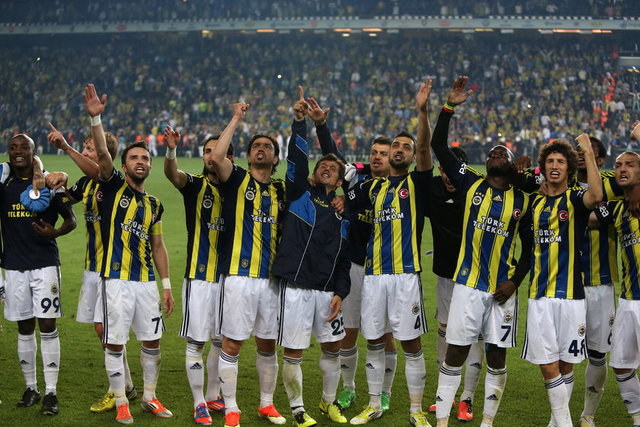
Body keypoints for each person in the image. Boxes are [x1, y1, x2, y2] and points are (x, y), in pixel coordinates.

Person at [431, 77, 532, 427]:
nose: (495, 155)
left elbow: (530, 249)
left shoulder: (523, 200)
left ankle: (487, 422)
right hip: (468, 286)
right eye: (491, 153)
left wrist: (515, 282)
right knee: (456, 352)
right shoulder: (469, 182)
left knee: (497, 357)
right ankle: (442, 421)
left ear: (512, 164)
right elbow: (438, 145)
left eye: (502, 153)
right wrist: (448, 107)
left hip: (503, 291)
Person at [83, 83, 175, 425]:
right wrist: (96, 119)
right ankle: (121, 401)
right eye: (135, 157)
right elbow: (102, 155)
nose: (141, 161)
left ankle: (149, 397)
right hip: (116, 282)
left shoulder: (154, 205)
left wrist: (166, 285)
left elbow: (158, 246)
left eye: (145, 158)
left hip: (146, 283)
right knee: (115, 344)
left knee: (152, 342)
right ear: (123, 166)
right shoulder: (112, 186)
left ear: (150, 166)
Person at [345, 80, 434, 427]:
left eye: (405, 147)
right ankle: (373, 404)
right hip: (374, 276)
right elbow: (343, 198)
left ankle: (416, 410)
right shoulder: (373, 188)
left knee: (410, 344)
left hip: (405, 275)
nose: (399, 150)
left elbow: (425, 147)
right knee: (374, 341)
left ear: (412, 156)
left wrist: (422, 111)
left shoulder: (418, 184)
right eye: (395, 145)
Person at [308, 92, 398, 413]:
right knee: (349, 331)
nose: (377, 157)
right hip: (355, 267)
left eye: (383, 154)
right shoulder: (356, 179)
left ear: (393, 158)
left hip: (386, 268)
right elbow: (333, 157)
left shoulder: (400, 187)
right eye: (374, 153)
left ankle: (385, 392)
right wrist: (321, 126)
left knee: (384, 335)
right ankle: (348, 389)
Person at [47, 124, 139, 413]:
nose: (84, 151)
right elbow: (66, 201)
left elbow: (98, 172)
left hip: (114, 268)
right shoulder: (85, 184)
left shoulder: (114, 181)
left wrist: (66, 148)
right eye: (84, 147)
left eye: (89, 148)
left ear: (103, 154)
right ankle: (126, 384)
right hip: (92, 266)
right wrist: (54, 184)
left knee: (106, 329)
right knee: (103, 331)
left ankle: (118, 389)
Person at [272, 91, 351, 426]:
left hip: (327, 291)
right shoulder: (299, 193)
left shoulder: (345, 212)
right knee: (294, 351)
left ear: (340, 179)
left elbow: (344, 260)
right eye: (322, 166)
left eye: (333, 168)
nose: (327, 169)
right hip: (297, 288)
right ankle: (297, 409)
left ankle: (328, 402)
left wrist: (340, 292)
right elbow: (298, 159)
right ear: (314, 173)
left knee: (333, 348)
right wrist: (300, 122)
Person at [210, 102, 287, 427]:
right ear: (248, 155)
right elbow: (216, 157)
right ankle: (231, 407)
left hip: (271, 279)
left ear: (275, 158)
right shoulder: (237, 179)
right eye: (256, 146)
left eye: (267, 146)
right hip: (239, 277)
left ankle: (267, 404)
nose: (261, 149)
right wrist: (236, 118)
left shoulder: (281, 189)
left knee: (268, 344)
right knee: (232, 343)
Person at [521, 135, 602, 427]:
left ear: (569, 168)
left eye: (561, 162)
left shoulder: (576, 200)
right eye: (550, 162)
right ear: (543, 167)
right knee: (547, 366)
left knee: (566, 365)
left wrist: (588, 153)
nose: (555, 166)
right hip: (540, 296)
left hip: (572, 296)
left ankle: (556, 422)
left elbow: (597, 196)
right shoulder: (534, 202)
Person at [163, 126, 235, 425]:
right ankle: (198, 403)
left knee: (221, 340)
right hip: (199, 276)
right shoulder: (194, 185)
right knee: (196, 343)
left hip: (231, 278)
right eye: (207, 151)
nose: (211, 156)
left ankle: (213, 395)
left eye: (216, 151)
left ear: (228, 157)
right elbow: (172, 174)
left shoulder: (238, 188)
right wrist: (171, 150)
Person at [1, 133, 77, 416]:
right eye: (13, 147)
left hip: (45, 265)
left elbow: (71, 220)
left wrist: (54, 233)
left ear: (34, 152)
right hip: (13, 266)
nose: (18, 151)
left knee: (47, 326)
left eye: (24, 147)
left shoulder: (49, 182)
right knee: (23, 327)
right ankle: (31, 388)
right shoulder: (4, 185)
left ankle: (51, 392)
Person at [426, 146, 486, 422]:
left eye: (456, 170)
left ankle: (467, 399)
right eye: (446, 170)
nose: (450, 176)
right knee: (445, 332)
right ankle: (444, 396)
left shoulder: (477, 190)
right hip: (445, 274)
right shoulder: (433, 189)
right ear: (440, 170)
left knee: (474, 337)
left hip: (475, 277)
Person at [591, 138, 640, 427]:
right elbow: (586, 214)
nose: (622, 168)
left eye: (630, 164)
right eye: (618, 164)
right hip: (629, 300)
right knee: (621, 364)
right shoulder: (616, 209)